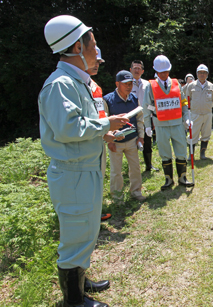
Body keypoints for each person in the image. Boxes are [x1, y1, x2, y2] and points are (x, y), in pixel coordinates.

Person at [40, 15, 129, 307]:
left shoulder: (76, 82)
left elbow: (81, 126)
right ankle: (74, 300)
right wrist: (105, 126)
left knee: (87, 230)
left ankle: (80, 278)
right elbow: (68, 129)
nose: (96, 49)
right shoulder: (60, 85)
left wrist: (103, 135)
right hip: (74, 173)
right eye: (93, 43)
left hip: (85, 168)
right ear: (78, 46)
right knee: (76, 234)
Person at [143, 55, 194, 189]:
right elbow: (146, 106)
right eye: (161, 72)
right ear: (156, 72)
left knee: (181, 149)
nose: (164, 74)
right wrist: (148, 125)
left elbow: (183, 102)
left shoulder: (176, 83)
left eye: (166, 71)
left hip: (177, 123)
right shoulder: (151, 86)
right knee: (164, 152)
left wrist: (186, 117)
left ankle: (182, 177)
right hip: (161, 125)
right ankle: (168, 179)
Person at [104, 70, 146, 202]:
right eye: (125, 84)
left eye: (130, 83)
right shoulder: (108, 100)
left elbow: (139, 119)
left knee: (135, 167)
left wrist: (141, 136)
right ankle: (117, 197)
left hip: (132, 140)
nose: (129, 86)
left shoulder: (134, 99)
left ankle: (136, 192)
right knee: (116, 171)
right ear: (117, 84)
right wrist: (109, 139)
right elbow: (104, 121)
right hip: (115, 142)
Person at [87, 47, 112, 222]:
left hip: (98, 142)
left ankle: (96, 212)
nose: (97, 65)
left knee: (99, 177)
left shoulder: (95, 87)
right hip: (85, 145)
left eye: (99, 62)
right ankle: (88, 217)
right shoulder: (73, 86)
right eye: (95, 61)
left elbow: (100, 115)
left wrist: (108, 132)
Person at [131, 60, 159, 172]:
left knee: (148, 142)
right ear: (130, 70)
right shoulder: (126, 84)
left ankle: (148, 165)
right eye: (134, 68)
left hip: (145, 117)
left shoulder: (148, 84)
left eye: (139, 68)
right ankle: (133, 168)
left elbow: (151, 104)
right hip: (132, 118)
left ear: (142, 71)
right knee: (131, 143)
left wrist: (152, 116)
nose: (136, 70)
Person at [184, 64, 213, 160]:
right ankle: (191, 154)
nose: (202, 75)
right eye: (200, 73)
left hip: (207, 113)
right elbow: (187, 98)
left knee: (206, 134)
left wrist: (207, 107)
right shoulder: (191, 86)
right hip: (195, 114)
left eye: (204, 73)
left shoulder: (211, 86)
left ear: (207, 74)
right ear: (197, 74)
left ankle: (202, 154)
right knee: (193, 134)